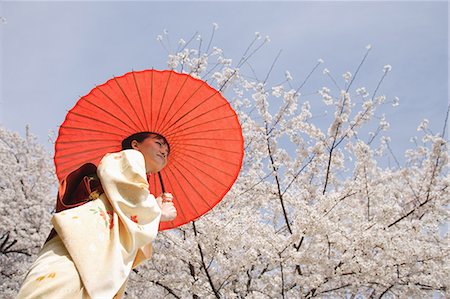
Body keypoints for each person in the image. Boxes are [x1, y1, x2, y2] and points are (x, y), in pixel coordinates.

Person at [17, 132, 177, 299]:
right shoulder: (130, 156)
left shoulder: (138, 178)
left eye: (167, 150)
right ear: (136, 145)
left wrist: (154, 207)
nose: (164, 151)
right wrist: (158, 212)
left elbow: (132, 202)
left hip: (93, 243)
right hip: (87, 239)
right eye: (159, 143)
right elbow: (131, 195)